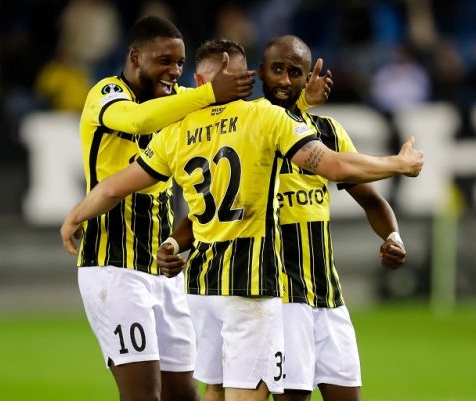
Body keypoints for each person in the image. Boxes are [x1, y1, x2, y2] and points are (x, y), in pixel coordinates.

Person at [61, 38, 423, 401]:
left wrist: (76, 215)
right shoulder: (265, 119)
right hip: (251, 286)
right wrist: (400, 163)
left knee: (213, 390)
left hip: (203, 287)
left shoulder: (177, 130)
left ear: (199, 83)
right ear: (250, 77)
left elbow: (113, 188)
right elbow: (333, 164)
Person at [159, 35, 407, 401]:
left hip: (327, 296)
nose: (285, 80)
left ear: (308, 79)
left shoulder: (327, 132)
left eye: (295, 73)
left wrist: (394, 236)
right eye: (277, 70)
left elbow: (370, 201)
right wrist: (174, 242)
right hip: (280, 298)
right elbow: (209, 212)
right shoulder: (253, 127)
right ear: (259, 73)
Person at [74, 16, 255, 401]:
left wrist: (302, 101)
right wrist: (207, 95)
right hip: (113, 267)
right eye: (164, 61)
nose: (174, 72)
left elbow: (242, 120)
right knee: (143, 395)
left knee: (183, 393)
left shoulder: (178, 101)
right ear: (135, 57)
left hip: (163, 267)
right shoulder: (105, 93)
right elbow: (139, 121)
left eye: (179, 62)